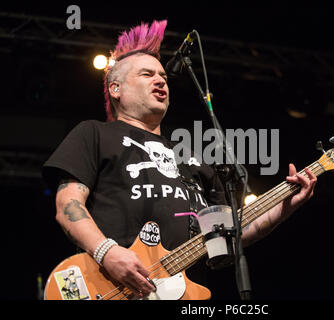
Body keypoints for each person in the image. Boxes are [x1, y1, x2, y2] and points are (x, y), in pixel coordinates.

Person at [42, 20, 317, 299]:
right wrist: (107, 252)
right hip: (108, 286)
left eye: (162, 75)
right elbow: (68, 204)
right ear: (116, 89)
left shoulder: (193, 157)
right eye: (147, 74)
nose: (161, 80)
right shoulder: (94, 133)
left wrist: (283, 208)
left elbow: (227, 238)